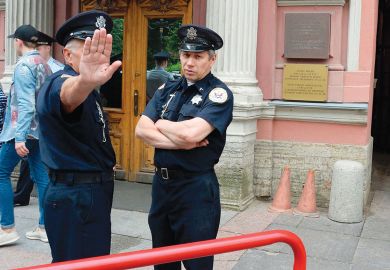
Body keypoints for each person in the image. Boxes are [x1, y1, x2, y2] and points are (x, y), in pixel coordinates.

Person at [135, 24, 234, 270]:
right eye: (185, 55)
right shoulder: (167, 88)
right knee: (162, 260)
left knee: (197, 262)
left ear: (212, 60)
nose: (190, 62)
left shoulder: (218, 94)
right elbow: (141, 130)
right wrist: (181, 140)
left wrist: (159, 123)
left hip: (195, 190)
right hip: (162, 187)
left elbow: (192, 133)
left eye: (198, 56)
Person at [37, 10, 121, 262]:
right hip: (76, 195)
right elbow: (67, 95)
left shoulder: (89, 89)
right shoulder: (61, 82)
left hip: (90, 192)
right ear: (67, 54)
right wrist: (85, 80)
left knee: (92, 262)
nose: (96, 58)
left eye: (100, 50)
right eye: (87, 50)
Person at [0, 24, 51, 246]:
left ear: (18, 42)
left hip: (21, 132)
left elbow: (25, 104)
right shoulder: (44, 65)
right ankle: (45, 227)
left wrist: (19, 137)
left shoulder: (23, 66)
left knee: (0, 173)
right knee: (43, 179)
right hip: (39, 132)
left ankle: (7, 228)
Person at [14, 31, 64, 207]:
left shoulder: (56, 68)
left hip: (42, 124)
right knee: (32, 167)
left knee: (43, 168)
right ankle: (22, 196)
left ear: (46, 47)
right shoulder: (39, 65)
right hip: (36, 126)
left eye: (40, 45)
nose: (37, 49)